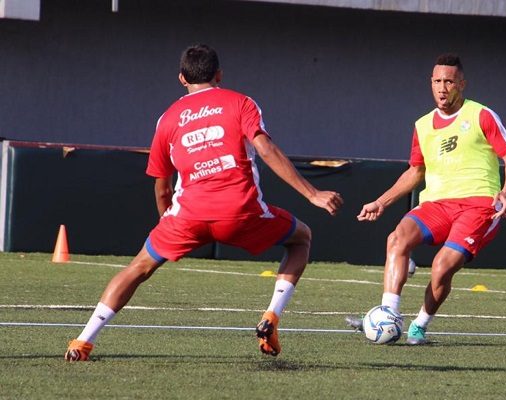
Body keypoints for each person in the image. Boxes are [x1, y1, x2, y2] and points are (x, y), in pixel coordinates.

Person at [64, 44, 343, 361]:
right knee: (301, 238)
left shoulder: (167, 119)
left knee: (137, 268)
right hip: (240, 211)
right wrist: (312, 193)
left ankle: (83, 341)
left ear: (182, 78)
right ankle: (272, 317)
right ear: (219, 74)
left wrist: (166, 222)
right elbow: (266, 150)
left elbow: (162, 186)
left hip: (187, 216)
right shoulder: (241, 103)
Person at [347, 53, 506, 344]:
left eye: (449, 81)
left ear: (461, 84)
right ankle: (389, 315)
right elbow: (415, 172)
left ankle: (418, 327)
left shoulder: (481, 115)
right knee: (397, 239)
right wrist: (382, 201)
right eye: (438, 81)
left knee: (442, 267)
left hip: (477, 206)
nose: (443, 87)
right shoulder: (422, 125)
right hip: (435, 205)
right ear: (431, 83)